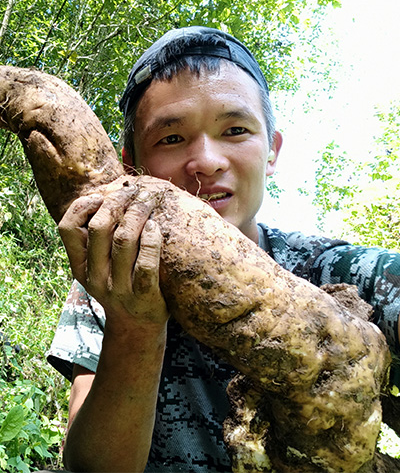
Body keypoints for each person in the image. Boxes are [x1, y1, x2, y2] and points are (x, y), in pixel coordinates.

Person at [47, 26, 400, 472]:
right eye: (171, 138)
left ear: (271, 152)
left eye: (235, 129)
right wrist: (134, 329)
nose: (207, 160)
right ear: (130, 165)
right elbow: (92, 467)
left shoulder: (330, 270)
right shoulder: (108, 281)